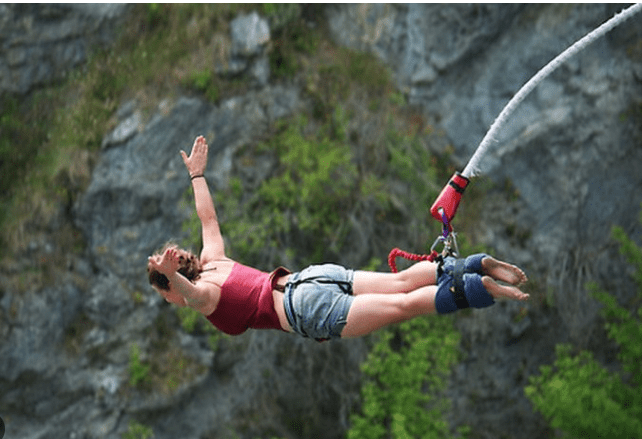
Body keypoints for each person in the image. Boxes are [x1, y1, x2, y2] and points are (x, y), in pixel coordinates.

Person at [148, 136, 529, 342]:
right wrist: (197, 176)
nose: (173, 301)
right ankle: (473, 264)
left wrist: (172, 276)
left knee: (403, 307)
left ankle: (480, 288)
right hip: (310, 277)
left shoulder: (206, 298)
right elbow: (208, 218)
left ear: (171, 290)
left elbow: (193, 296)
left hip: (304, 309)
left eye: (166, 295)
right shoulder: (214, 260)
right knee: (399, 283)